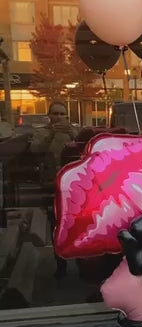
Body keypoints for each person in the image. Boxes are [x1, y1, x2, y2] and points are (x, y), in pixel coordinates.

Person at [30, 101, 79, 277]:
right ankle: (61, 265)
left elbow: (86, 147)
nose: (58, 117)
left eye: (62, 114)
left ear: (67, 116)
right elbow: (35, 150)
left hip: (73, 185)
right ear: (49, 115)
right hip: (51, 184)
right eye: (55, 114)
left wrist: (71, 133)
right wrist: (51, 134)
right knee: (55, 225)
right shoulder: (42, 132)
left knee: (77, 223)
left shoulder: (73, 131)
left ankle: (81, 261)